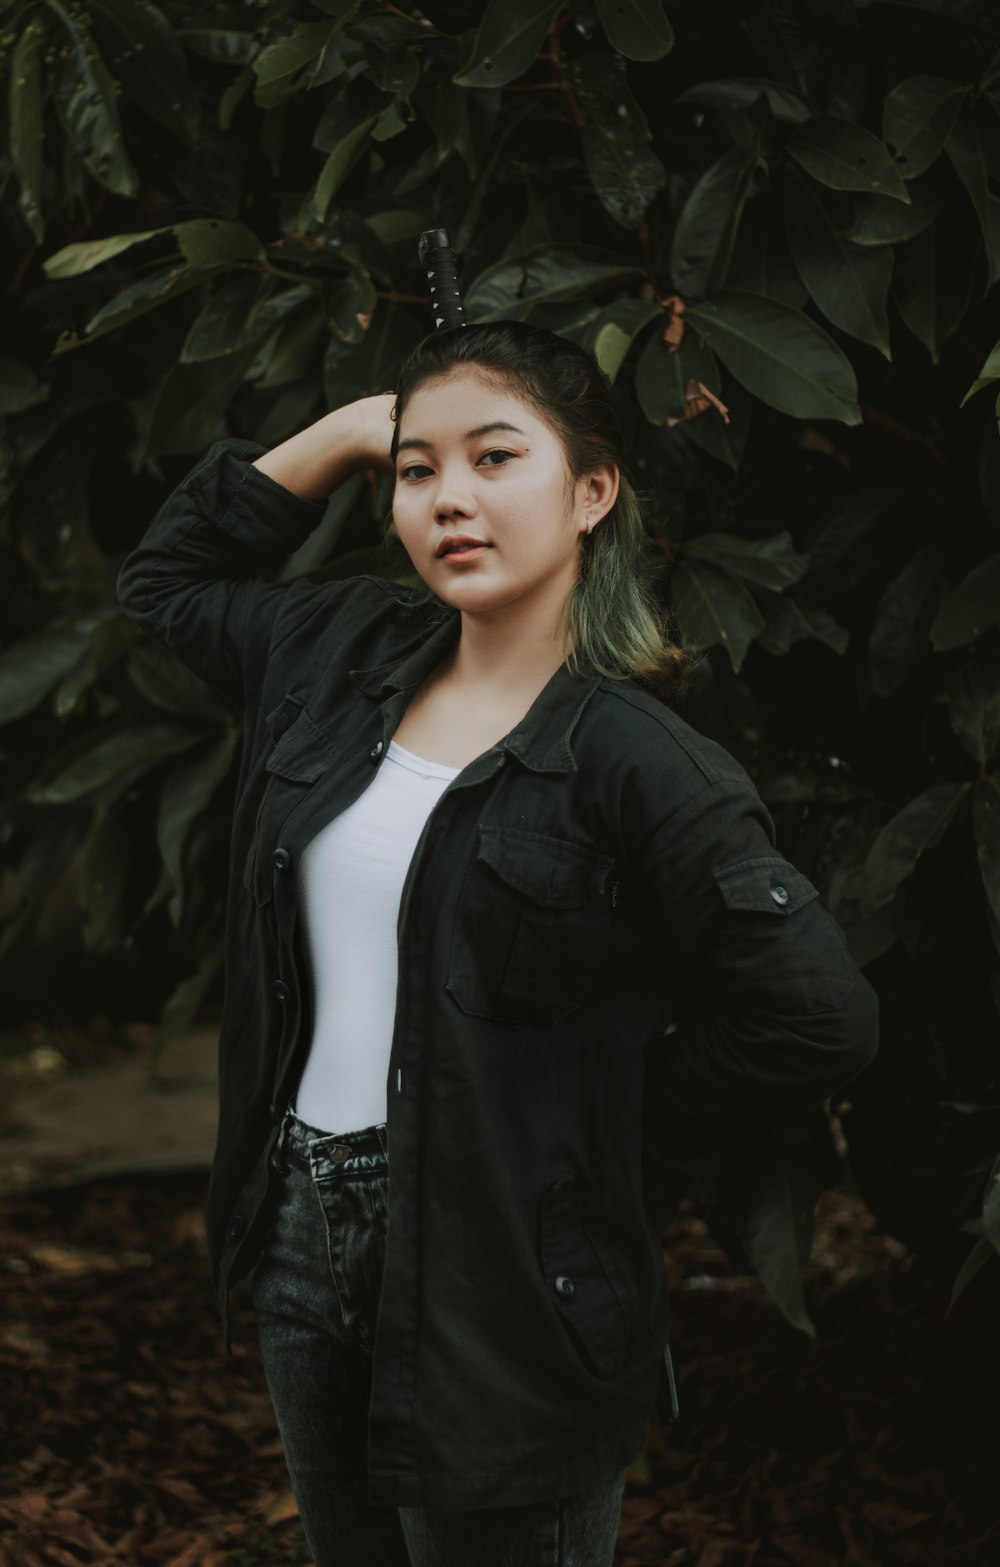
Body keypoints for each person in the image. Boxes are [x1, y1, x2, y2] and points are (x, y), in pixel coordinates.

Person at [117, 320, 878, 1567]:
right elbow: (167, 580)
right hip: (306, 1227)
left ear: (592, 491)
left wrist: (598, 1136)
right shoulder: (337, 654)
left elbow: (816, 1014)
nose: (449, 500)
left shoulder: (639, 764)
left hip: (507, 1264)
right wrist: (363, 426)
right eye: (419, 472)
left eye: (494, 458)